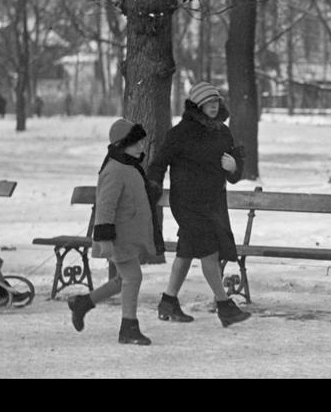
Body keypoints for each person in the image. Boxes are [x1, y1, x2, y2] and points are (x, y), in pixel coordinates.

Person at [148, 81, 251, 327]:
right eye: (208, 103)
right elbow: (159, 162)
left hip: (213, 203)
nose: (214, 107)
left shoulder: (222, 132)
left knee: (186, 252)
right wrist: (153, 184)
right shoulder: (180, 133)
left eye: (216, 102)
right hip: (187, 203)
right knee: (209, 253)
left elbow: (233, 171)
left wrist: (234, 167)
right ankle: (225, 306)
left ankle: (168, 302)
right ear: (197, 105)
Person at [67, 118, 164, 345]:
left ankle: (83, 303)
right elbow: (106, 206)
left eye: (142, 142)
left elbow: (134, 195)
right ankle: (128, 327)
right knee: (133, 277)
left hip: (129, 236)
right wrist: (104, 238)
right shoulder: (115, 170)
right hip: (118, 237)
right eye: (136, 143)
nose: (142, 147)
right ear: (123, 144)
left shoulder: (129, 166)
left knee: (124, 279)